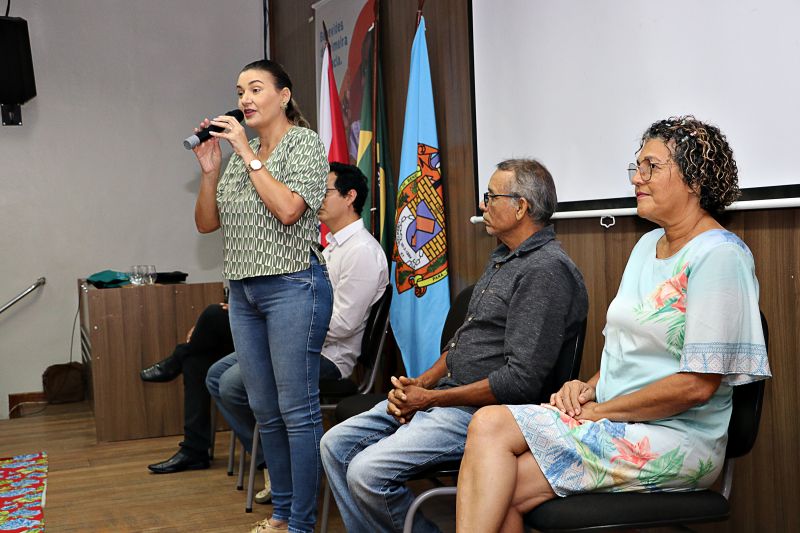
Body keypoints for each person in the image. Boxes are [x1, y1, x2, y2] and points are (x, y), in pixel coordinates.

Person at [455, 117, 773, 533]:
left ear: (694, 180)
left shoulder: (720, 256)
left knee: (497, 454)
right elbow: (628, 350)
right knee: (497, 452)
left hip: (677, 438)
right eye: (636, 167)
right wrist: (587, 386)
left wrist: (600, 410)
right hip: (617, 418)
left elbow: (697, 386)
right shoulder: (645, 246)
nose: (637, 178)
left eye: (651, 167)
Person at [320, 159, 589, 533]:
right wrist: (422, 384)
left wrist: (430, 401)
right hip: (447, 398)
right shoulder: (504, 258)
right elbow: (464, 344)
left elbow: (519, 383)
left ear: (521, 207)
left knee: (367, 472)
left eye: (491, 197)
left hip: (485, 416)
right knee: (334, 444)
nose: (483, 205)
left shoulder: (545, 271)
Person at [193, 59, 331, 533]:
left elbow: (290, 209)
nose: (245, 99)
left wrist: (248, 157)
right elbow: (208, 224)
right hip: (246, 294)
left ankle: (302, 523)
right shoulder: (238, 153)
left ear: (284, 96)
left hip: (294, 286)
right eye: (239, 90)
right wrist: (212, 170)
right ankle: (284, 513)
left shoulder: (305, 145)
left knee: (297, 410)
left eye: (256, 89)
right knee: (265, 411)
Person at [204, 162, 389, 498]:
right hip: (293, 341)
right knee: (217, 375)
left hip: (329, 356)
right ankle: (273, 464)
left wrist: (285, 322)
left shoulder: (362, 251)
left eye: (326, 190)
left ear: (350, 197)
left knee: (233, 384)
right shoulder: (331, 245)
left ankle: (285, 474)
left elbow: (344, 325)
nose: (316, 196)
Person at [141, 302, 233, 473]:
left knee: (213, 313)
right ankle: (194, 451)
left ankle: (176, 360)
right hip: (248, 326)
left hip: (271, 334)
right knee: (195, 362)